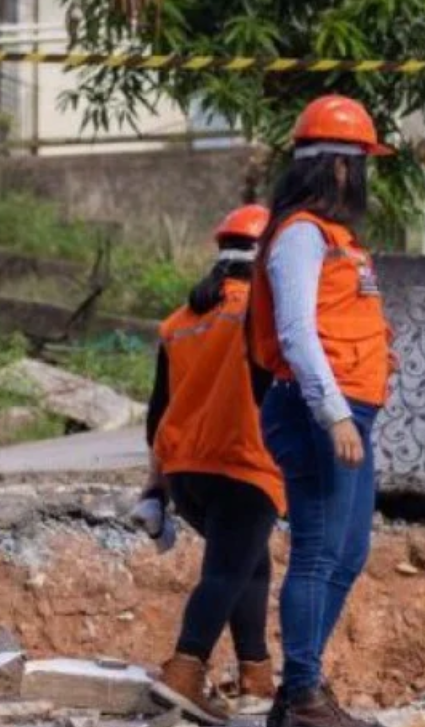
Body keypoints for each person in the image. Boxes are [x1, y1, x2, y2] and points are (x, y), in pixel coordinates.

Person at [246, 95, 394, 727]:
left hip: (345, 410)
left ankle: (297, 688)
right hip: (315, 412)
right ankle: (303, 690)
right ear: (338, 168)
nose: (364, 178)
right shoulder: (301, 235)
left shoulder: (335, 238)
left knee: (349, 550)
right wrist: (333, 412)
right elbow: (298, 333)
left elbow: (339, 320)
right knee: (317, 551)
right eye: (360, 163)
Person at [145, 204, 284, 724]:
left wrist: (153, 489)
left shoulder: (182, 321)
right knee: (227, 570)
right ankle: (185, 671)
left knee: (250, 563)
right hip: (243, 462)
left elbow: (157, 410)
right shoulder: (259, 311)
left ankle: (256, 679)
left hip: (186, 473)